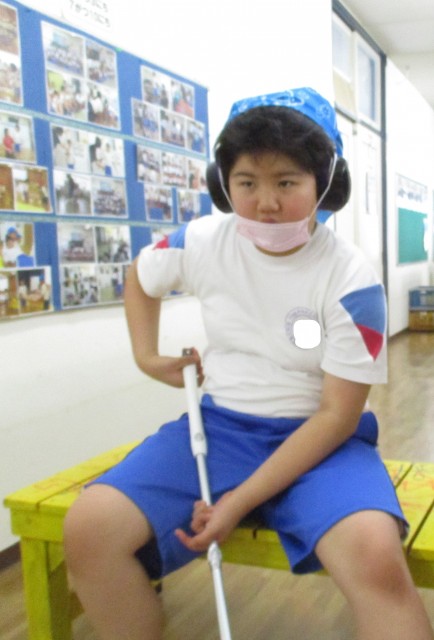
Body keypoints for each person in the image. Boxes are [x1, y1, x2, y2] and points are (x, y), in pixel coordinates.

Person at [63, 87, 434, 640]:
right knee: (89, 528)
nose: (266, 203)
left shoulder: (353, 281)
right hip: (218, 430)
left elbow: (336, 416)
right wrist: (146, 356)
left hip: (321, 442)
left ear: (325, 183)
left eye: (286, 182)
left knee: (376, 557)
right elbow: (141, 276)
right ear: (223, 184)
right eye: (246, 182)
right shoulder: (202, 240)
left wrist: (238, 502)